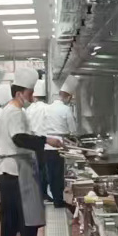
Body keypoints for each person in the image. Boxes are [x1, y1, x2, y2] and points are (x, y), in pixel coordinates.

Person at [0, 67, 63, 236]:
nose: (32, 97)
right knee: (29, 219)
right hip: (17, 171)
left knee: (10, 222)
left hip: (8, 172)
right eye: (29, 92)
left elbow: (22, 135)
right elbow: (19, 139)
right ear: (19, 93)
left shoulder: (7, 111)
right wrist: (46, 140)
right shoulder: (15, 113)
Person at [39, 76, 79, 208]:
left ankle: (56, 199)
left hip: (47, 145)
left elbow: (42, 126)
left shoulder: (47, 108)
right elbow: (72, 129)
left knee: (51, 174)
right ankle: (58, 201)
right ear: (68, 97)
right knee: (58, 175)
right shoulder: (66, 109)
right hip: (60, 145)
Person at [26, 79, 52, 197]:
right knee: (44, 168)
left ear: (34, 95)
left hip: (33, 142)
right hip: (45, 142)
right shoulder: (47, 108)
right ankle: (44, 192)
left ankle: (38, 193)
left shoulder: (29, 109)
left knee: (35, 168)